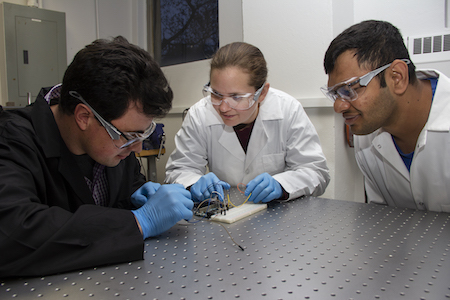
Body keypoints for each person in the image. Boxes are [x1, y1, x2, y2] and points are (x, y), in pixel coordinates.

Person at [0, 36, 194, 277]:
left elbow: (121, 190)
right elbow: (12, 232)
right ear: (84, 117)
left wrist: (137, 194)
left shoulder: (112, 140)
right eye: (129, 136)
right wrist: (137, 223)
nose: (136, 148)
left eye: (143, 133)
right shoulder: (12, 141)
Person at [165, 42, 330, 203]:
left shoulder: (288, 110)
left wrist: (282, 185)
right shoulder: (199, 115)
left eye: (236, 97)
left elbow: (316, 172)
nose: (223, 107)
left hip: (278, 214)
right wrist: (193, 183)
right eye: (215, 94)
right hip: (226, 211)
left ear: (262, 93)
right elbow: (180, 170)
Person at [322, 20, 450, 212]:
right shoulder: (366, 134)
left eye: (350, 89)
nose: (339, 106)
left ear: (397, 77)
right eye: (335, 94)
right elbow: (383, 218)